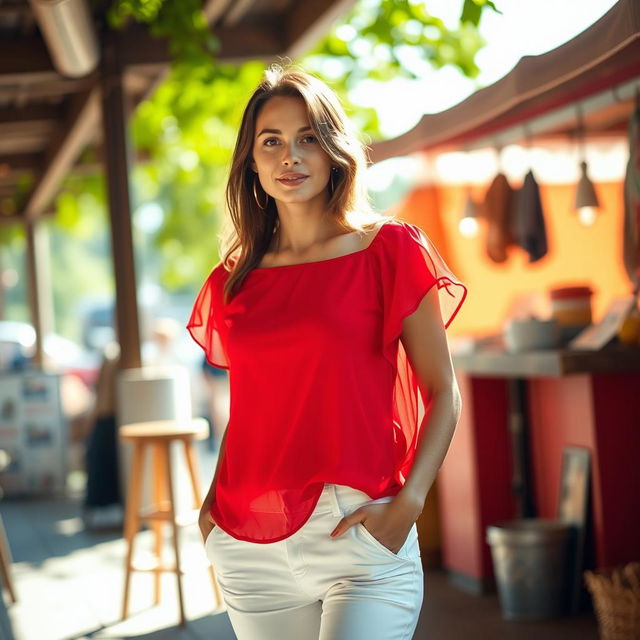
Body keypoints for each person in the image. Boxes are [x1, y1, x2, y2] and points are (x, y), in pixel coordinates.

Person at [186, 63, 467, 640]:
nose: (290, 156)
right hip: (249, 544)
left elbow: (444, 392)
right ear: (252, 162)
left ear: (334, 149)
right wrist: (212, 506)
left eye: (307, 138)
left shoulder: (388, 250)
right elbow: (257, 407)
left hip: (359, 531)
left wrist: (410, 503)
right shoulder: (234, 279)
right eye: (272, 142)